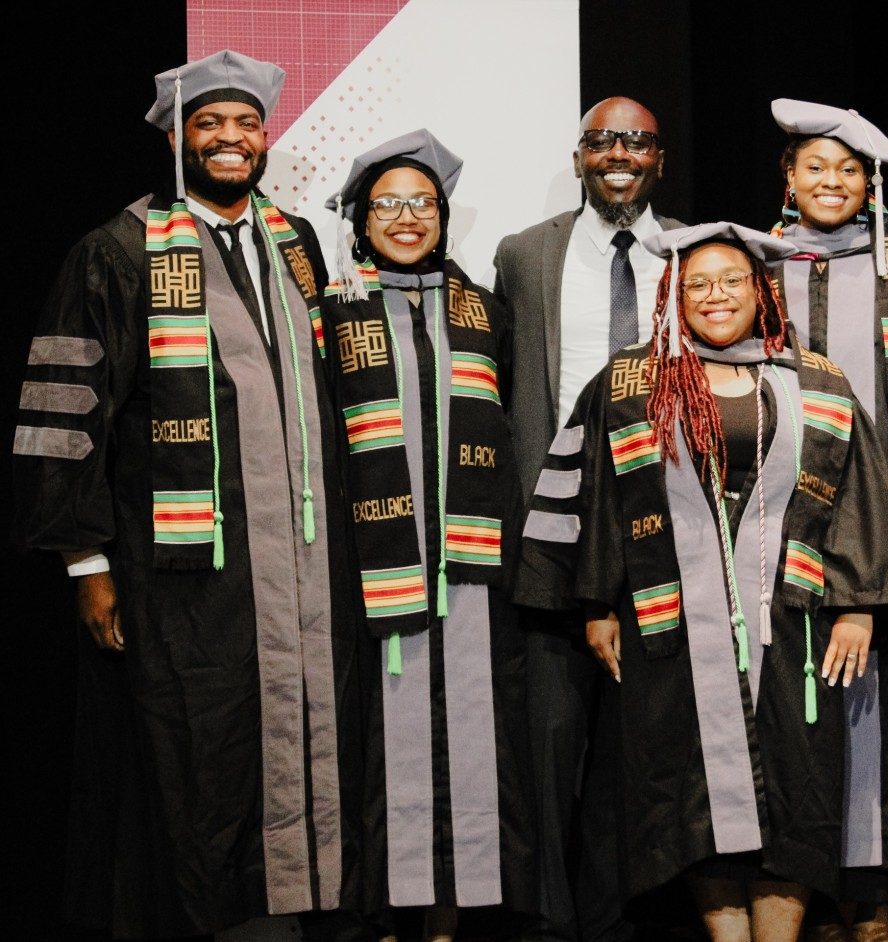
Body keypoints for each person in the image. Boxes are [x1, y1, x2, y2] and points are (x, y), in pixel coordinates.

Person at [11, 49, 373, 938]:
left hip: (304, 563)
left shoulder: (298, 245)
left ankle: (303, 913)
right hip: (188, 570)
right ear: (176, 137)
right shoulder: (120, 250)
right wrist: (86, 562)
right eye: (209, 124)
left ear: (263, 137)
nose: (229, 138)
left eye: (245, 124)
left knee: (313, 735)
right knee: (204, 753)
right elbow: (67, 416)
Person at [516, 221, 888, 942]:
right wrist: (598, 600)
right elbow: (600, 489)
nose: (715, 295)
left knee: (793, 779)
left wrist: (859, 608)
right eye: (696, 283)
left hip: (793, 619)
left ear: (761, 289)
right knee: (686, 784)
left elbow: (860, 491)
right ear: (675, 294)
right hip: (673, 617)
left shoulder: (813, 377)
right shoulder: (632, 379)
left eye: (732, 279)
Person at [322, 128, 538, 941]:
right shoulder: (333, 311)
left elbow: (510, 416)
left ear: (443, 217)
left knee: (477, 736)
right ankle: (382, 916)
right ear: (361, 220)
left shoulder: (486, 309)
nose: (407, 218)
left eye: (422, 203)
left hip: (475, 570)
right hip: (369, 568)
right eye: (389, 204)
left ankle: (452, 918)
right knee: (379, 739)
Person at [492, 96, 682, 942]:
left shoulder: (690, 256)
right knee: (547, 746)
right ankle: (549, 922)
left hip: (660, 535)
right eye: (603, 141)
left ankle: (637, 917)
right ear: (577, 158)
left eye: (637, 143)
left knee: (645, 752)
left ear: (659, 162)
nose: (619, 154)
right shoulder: (523, 255)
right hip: (551, 535)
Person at [769, 98, 888, 940]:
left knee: (876, 705)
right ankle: (802, 885)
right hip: (779, 521)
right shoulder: (757, 263)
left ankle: (870, 894)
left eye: (848, 170)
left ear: (868, 182)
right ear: (789, 178)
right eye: (815, 168)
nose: (831, 182)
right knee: (793, 703)